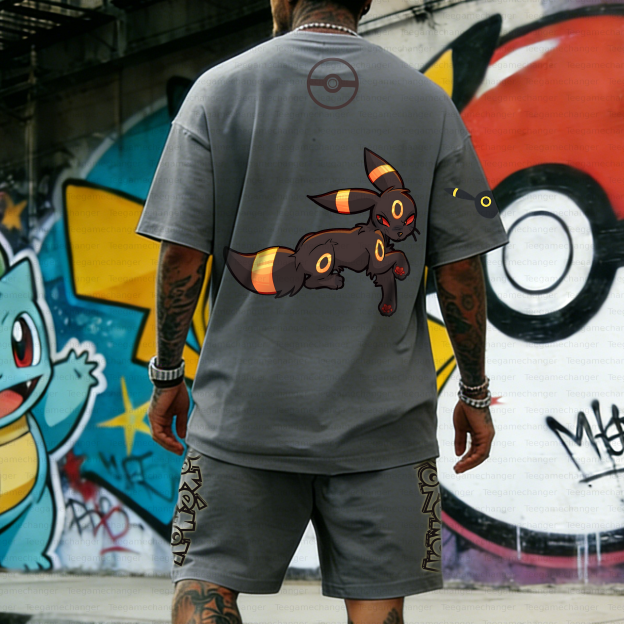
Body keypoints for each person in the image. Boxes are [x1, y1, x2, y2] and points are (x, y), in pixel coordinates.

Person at [134, 0, 509, 622]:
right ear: (365, 0)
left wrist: (168, 373)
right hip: (385, 428)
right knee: (378, 610)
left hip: (243, 419)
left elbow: (181, 256)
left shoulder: (217, 92)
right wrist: (474, 391)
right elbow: (460, 268)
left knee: (204, 593)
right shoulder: (428, 104)